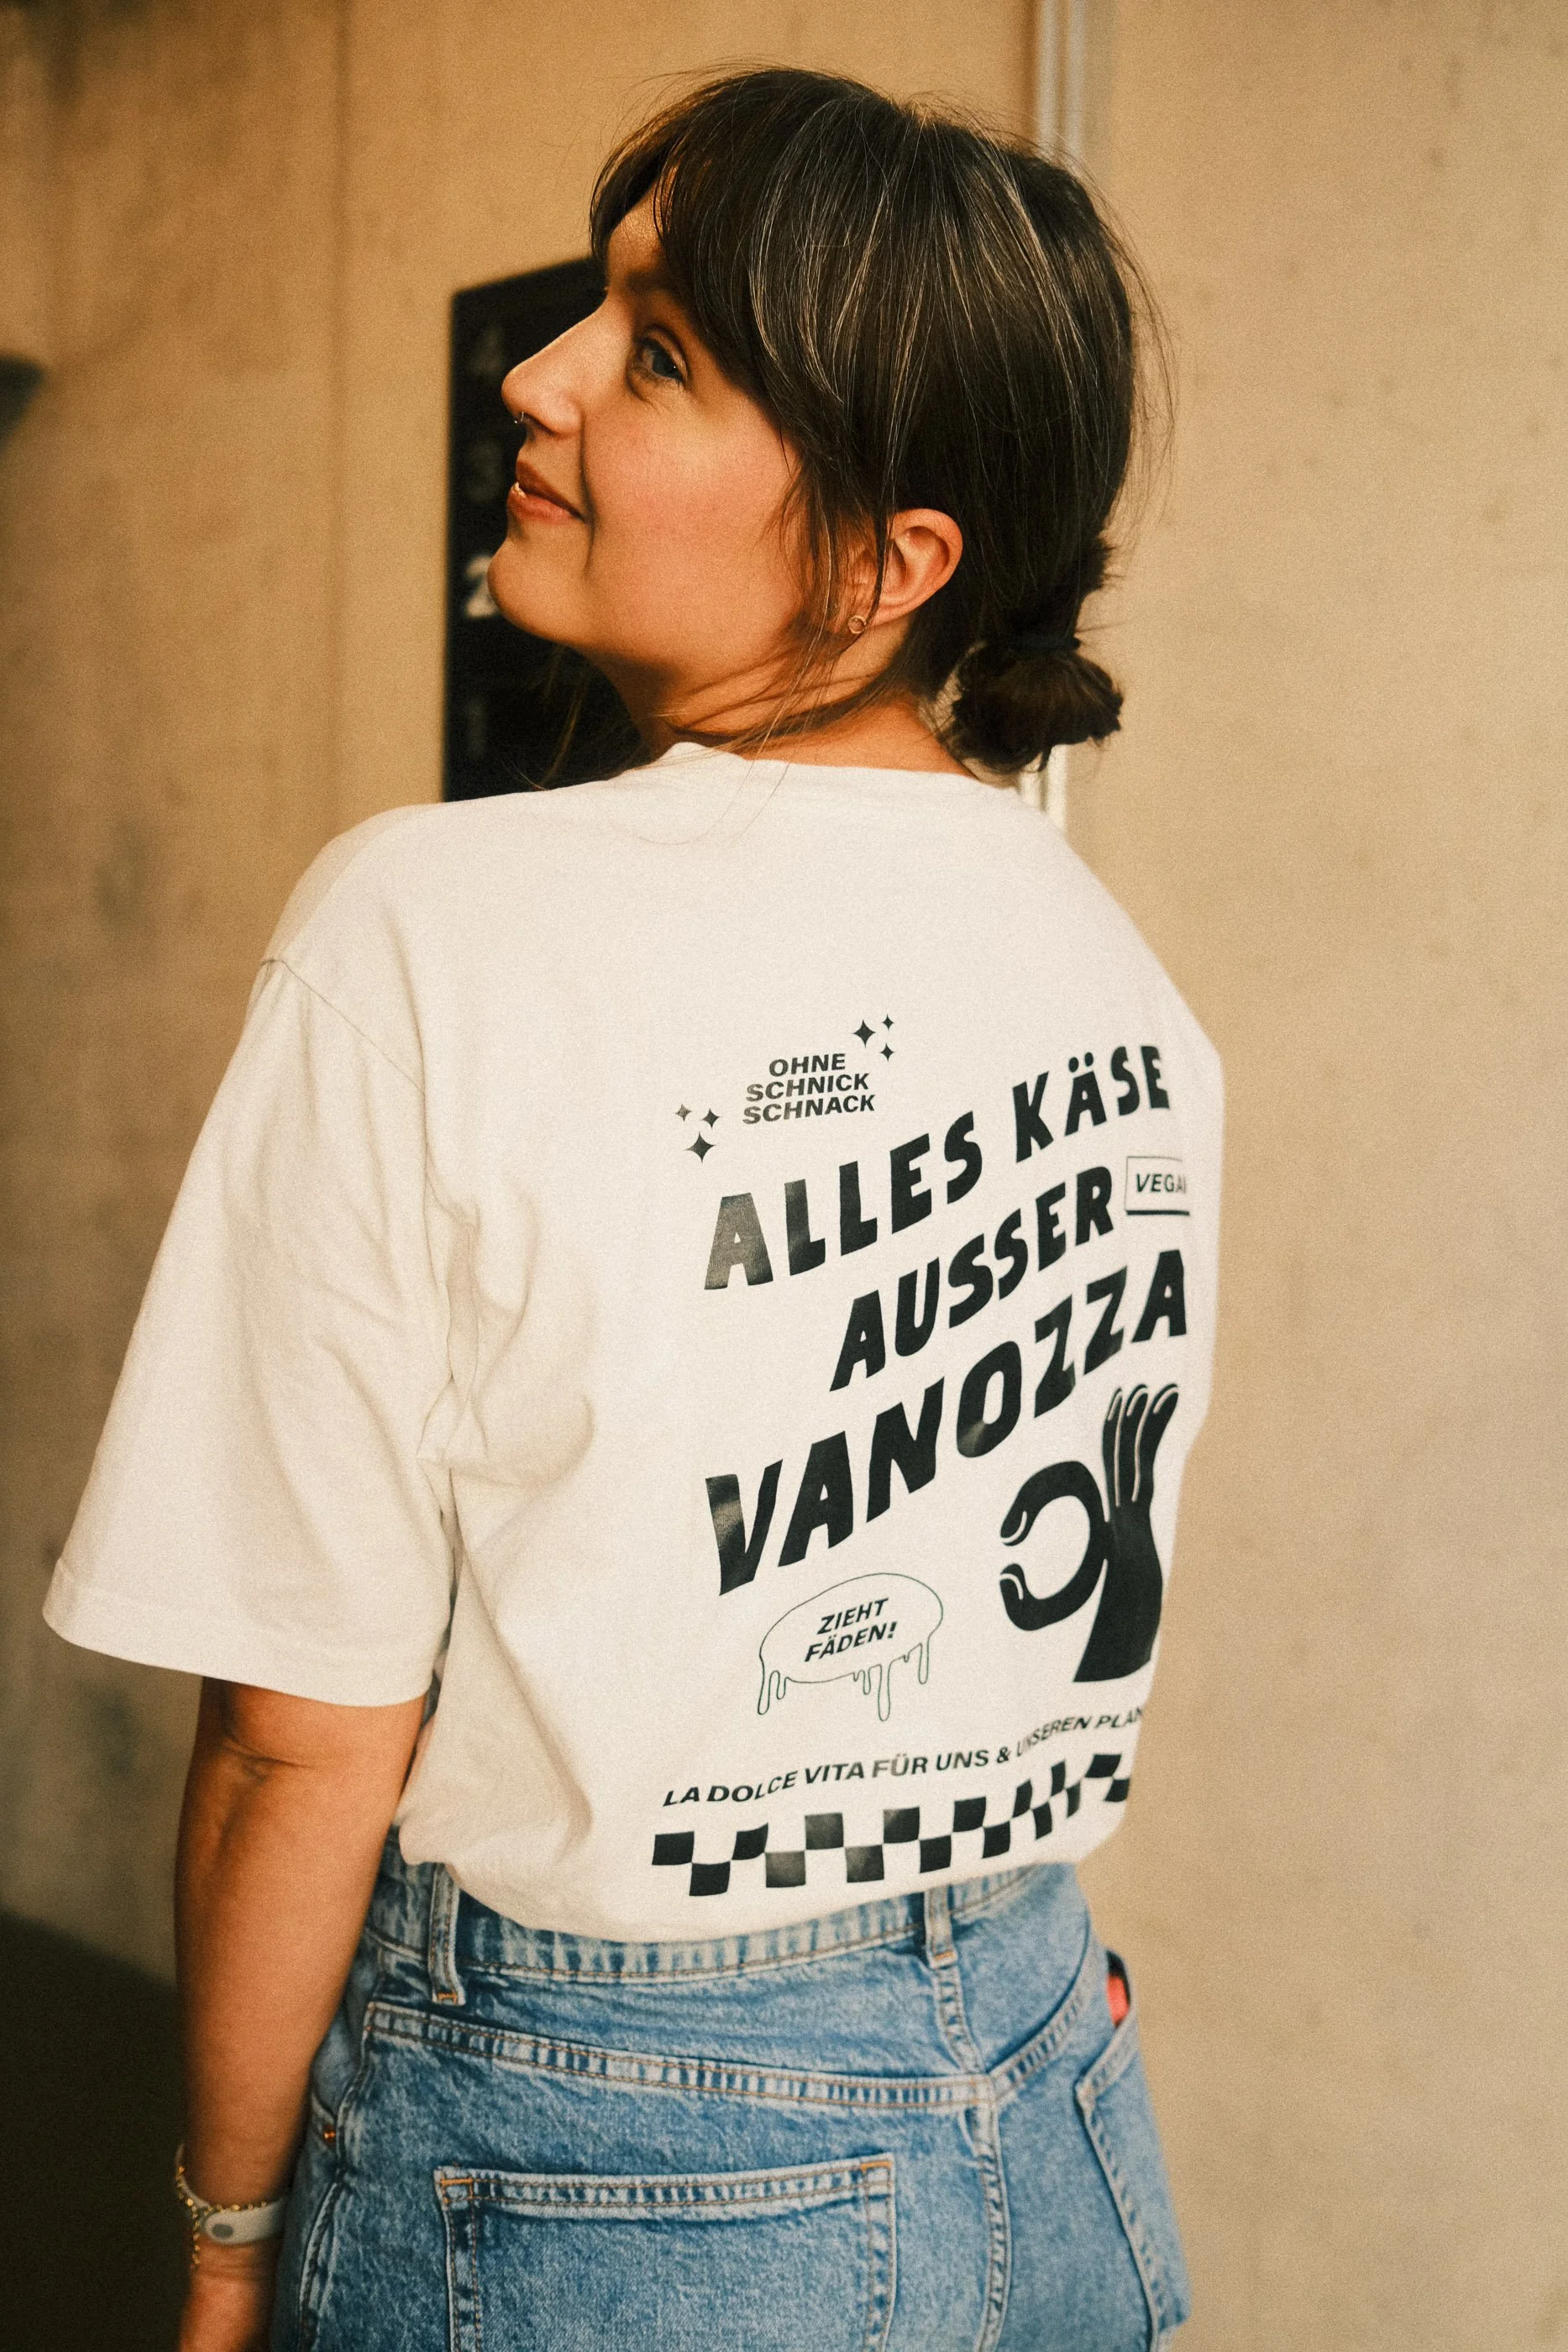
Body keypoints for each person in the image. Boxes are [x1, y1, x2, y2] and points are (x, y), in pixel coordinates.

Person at [46, 67, 1220, 2352]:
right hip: (1052, 2084)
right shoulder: (1114, 972)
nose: (542, 377)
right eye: (598, 315)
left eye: (659, 351)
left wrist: (214, 2242)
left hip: (608, 2157)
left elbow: (303, 1729)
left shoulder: (433, 923)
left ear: (889, 562)